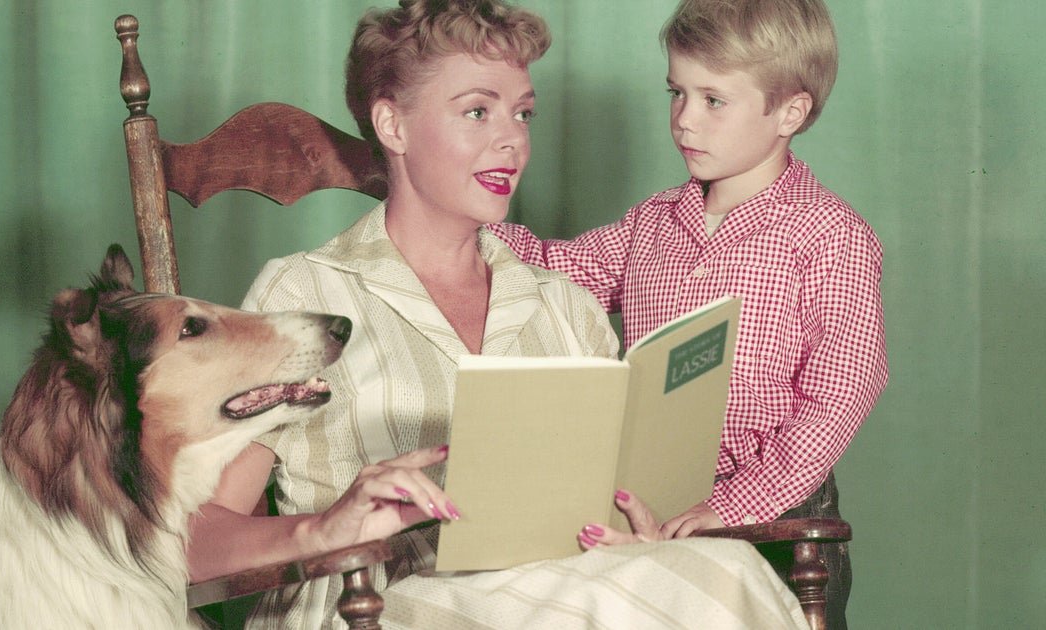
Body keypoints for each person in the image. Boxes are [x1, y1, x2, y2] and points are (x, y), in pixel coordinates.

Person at [188, 1, 809, 628]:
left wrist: (637, 535)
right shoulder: (302, 293)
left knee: (721, 566)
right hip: (370, 608)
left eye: (523, 113)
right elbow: (189, 541)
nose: (513, 139)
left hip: (569, 603)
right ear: (393, 125)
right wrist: (324, 529)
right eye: (477, 111)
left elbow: (610, 531)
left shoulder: (565, 307)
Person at [491, 0, 889, 626]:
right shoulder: (653, 222)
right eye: (676, 93)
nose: (684, 120)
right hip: (656, 511)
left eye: (713, 100)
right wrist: (450, 211)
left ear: (790, 112)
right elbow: (552, 269)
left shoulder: (829, 234)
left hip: (780, 522)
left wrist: (737, 504)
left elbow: (843, 389)